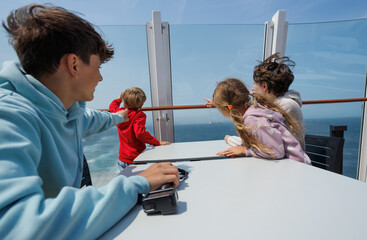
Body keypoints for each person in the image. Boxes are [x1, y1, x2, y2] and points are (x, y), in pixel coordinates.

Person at [0, 4, 179, 239]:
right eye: (98, 66)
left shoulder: (68, 112)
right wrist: (136, 184)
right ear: (74, 64)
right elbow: (16, 226)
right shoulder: (9, 116)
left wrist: (118, 117)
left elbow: (93, 119)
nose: (101, 77)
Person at [212, 78, 310, 164]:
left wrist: (245, 151)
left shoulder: (252, 120)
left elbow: (276, 152)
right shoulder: (255, 110)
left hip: (296, 166)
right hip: (292, 164)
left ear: (226, 109)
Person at [109, 87, 170, 171]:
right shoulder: (139, 115)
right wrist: (156, 142)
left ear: (124, 102)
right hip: (136, 159)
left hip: (122, 159)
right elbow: (140, 134)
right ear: (141, 104)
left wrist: (118, 100)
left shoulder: (119, 113)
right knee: (138, 182)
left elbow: (112, 107)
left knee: (127, 182)